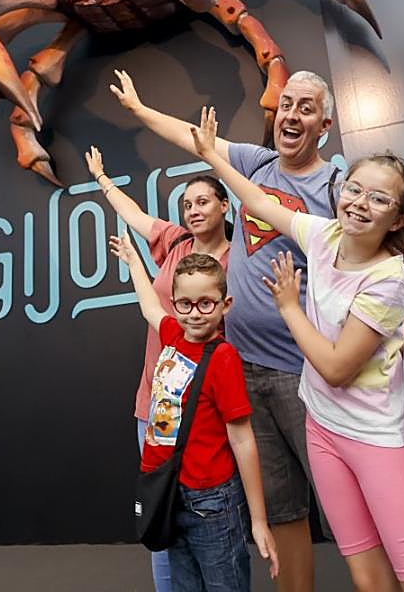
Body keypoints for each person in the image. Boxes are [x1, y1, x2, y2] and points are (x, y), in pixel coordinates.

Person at [112, 68, 404, 592]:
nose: (291, 114)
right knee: (283, 507)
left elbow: (373, 257)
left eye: (306, 107)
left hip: (305, 372)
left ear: (324, 125)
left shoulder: (336, 187)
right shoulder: (255, 163)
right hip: (244, 367)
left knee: (349, 512)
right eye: (286, 104)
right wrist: (139, 110)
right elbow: (196, 140)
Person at [190, 106, 404, 591]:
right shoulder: (323, 234)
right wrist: (211, 155)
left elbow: (335, 367)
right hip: (324, 430)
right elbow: (256, 198)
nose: (359, 203)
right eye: (354, 189)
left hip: (381, 440)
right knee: (367, 576)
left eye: (378, 199)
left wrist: (290, 306)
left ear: (398, 219)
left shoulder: (387, 280)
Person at [86, 146, 232, 592]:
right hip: (157, 403)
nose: (193, 210)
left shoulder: (239, 259)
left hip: (207, 412)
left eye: (203, 201)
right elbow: (134, 215)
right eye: (187, 204)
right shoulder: (176, 242)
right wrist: (103, 179)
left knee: (211, 518)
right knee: (161, 514)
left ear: (225, 206)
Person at [110, 236, 278, 590]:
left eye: (205, 303)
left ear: (224, 305)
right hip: (170, 493)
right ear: (175, 305)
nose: (195, 313)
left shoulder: (223, 358)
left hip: (211, 501)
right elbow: (149, 309)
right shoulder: (174, 338)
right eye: (185, 304)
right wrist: (132, 261)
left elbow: (243, 438)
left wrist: (259, 521)